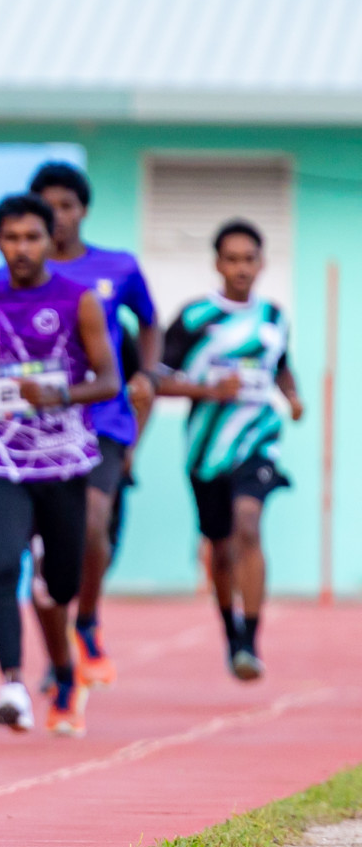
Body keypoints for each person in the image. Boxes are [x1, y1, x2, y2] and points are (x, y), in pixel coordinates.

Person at [0, 194, 119, 737]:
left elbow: (109, 381)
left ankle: (66, 669)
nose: (20, 249)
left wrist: (56, 394)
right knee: (2, 564)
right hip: (1, 457)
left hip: (64, 462)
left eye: (31, 238)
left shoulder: (79, 300)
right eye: (10, 238)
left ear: (50, 240)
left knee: (58, 589)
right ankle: (13, 685)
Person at [20, 163, 159, 689]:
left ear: (83, 211)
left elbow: (150, 322)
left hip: (102, 417)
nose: (57, 216)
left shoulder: (117, 268)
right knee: (42, 550)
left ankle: (88, 622)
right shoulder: (11, 276)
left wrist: (146, 372)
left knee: (94, 523)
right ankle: (57, 660)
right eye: (46, 205)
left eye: (67, 205)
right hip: (37, 429)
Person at [155, 220, 301, 681]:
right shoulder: (195, 317)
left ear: (262, 263)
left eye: (249, 259)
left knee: (249, 524)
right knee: (219, 550)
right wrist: (206, 390)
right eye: (232, 259)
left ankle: (252, 642)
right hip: (206, 451)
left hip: (258, 439)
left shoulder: (275, 318)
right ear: (218, 264)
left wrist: (293, 397)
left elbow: (281, 367)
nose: (241, 268)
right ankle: (230, 632)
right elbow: (156, 379)